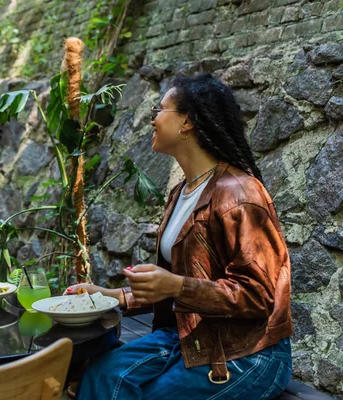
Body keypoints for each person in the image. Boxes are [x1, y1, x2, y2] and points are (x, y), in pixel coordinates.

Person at [67, 74, 293, 399]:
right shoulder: (182, 192)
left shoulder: (240, 193)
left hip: (247, 350)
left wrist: (175, 285)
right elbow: (186, 281)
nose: (153, 119)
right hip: (189, 334)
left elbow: (259, 296)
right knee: (100, 375)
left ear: (186, 122)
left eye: (160, 110)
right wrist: (113, 296)